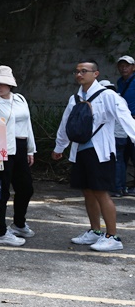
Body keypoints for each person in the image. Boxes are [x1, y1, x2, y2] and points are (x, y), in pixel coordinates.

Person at [52, 60, 135, 252]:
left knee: (101, 192)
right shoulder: (75, 98)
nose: (79, 74)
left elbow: (126, 118)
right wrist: (59, 146)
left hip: (100, 152)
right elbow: (66, 123)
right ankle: (95, 231)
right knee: (87, 191)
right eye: (77, 71)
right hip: (81, 151)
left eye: (84, 71)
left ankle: (112, 236)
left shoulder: (108, 95)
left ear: (95, 74)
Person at [0, 65, 36, 246]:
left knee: (26, 188)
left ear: (10, 84)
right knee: (0, 192)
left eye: (1, 83)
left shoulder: (20, 99)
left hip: (20, 147)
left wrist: (30, 149)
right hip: (1, 150)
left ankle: (19, 223)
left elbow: (27, 125)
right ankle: (1, 233)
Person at [100, 80, 132, 198]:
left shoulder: (106, 99)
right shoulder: (120, 99)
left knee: (116, 163)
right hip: (123, 136)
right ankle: (122, 187)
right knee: (121, 162)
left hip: (114, 136)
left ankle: (116, 188)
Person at [115, 55, 135, 195]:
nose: (124, 68)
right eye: (121, 65)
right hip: (123, 124)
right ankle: (121, 187)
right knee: (124, 155)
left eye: (127, 65)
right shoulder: (119, 82)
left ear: (133, 67)